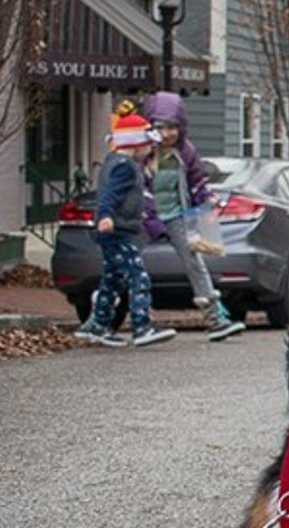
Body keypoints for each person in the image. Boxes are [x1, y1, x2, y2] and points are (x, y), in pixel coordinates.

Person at [142, 91, 246, 341]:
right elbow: (139, 189)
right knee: (129, 268)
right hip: (145, 219)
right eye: (160, 127)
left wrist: (206, 198)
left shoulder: (185, 151)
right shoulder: (143, 152)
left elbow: (197, 179)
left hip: (177, 216)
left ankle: (215, 319)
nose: (166, 134)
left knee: (195, 265)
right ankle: (107, 319)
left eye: (172, 127)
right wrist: (150, 219)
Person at [73, 104, 177, 348]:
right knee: (137, 276)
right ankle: (142, 327)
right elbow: (109, 194)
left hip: (116, 230)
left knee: (113, 278)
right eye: (148, 143)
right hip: (116, 231)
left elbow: (116, 194)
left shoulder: (114, 162)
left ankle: (98, 324)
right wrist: (106, 215)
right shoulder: (124, 167)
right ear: (136, 144)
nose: (151, 148)